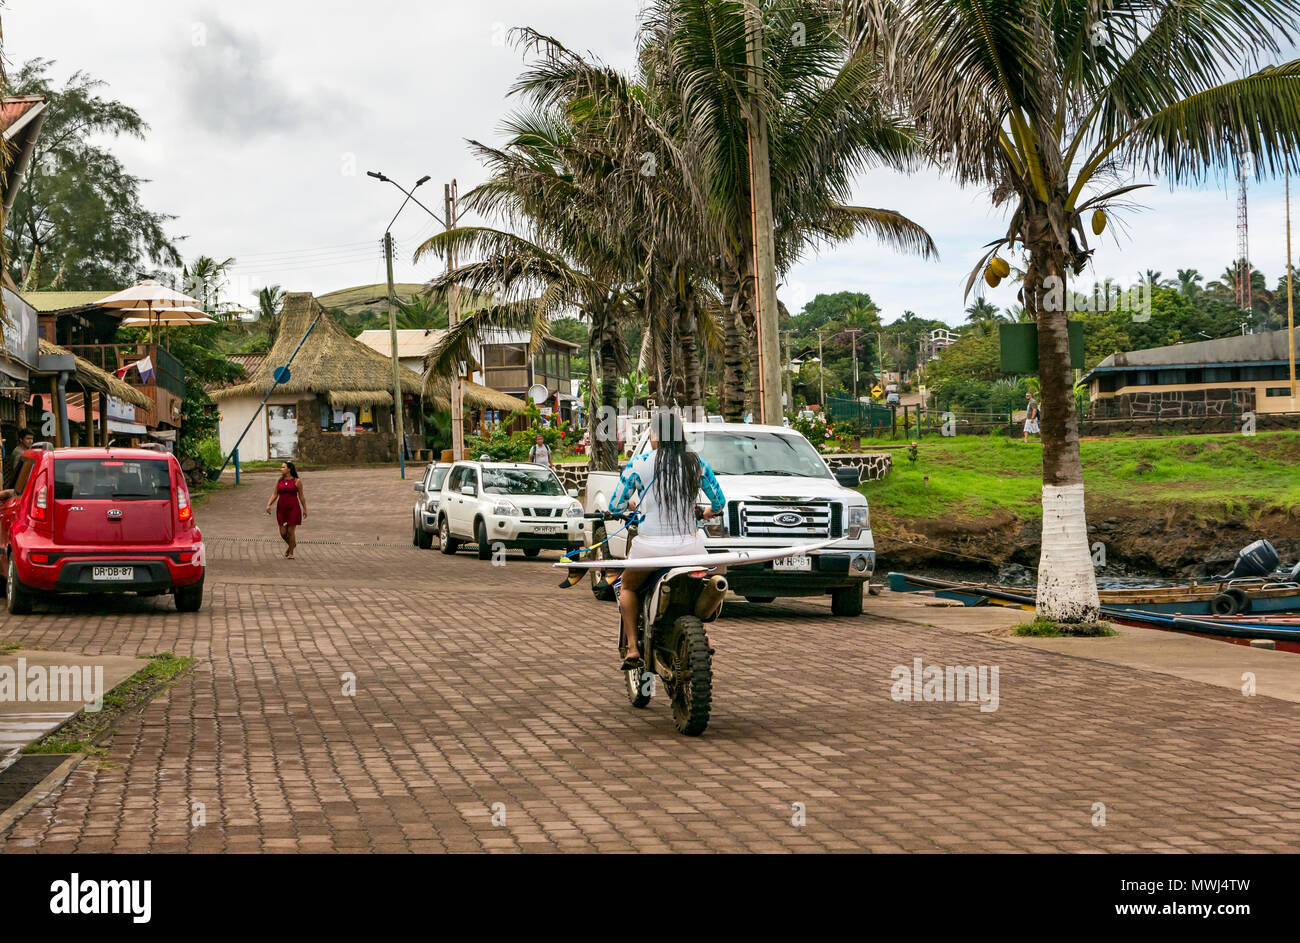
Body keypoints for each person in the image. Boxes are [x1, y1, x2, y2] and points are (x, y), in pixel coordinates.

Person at [608, 408, 725, 671]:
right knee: (697, 589)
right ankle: (702, 637)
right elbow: (719, 502)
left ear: (656, 435)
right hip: (690, 548)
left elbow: (615, 506)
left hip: (649, 547)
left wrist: (630, 505)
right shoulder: (696, 463)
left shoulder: (639, 463)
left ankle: (633, 648)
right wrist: (706, 512)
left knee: (626, 587)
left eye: (651, 431)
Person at [265, 461, 306, 559]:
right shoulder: (279, 481)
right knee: (283, 533)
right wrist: (268, 504)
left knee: (290, 532)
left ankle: (291, 552)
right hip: (281, 508)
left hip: (293, 508)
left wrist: (305, 509)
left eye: (283, 467)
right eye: (281, 467)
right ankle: (292, 544)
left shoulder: (297, 481)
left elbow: (301, 496)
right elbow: (275, 494)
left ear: (289, 469)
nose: (281, 469)